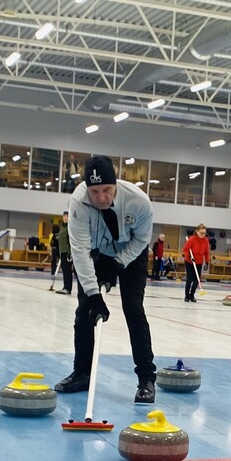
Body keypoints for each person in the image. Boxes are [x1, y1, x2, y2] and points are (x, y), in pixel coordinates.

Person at [54, 156, 157, 404]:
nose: (101, 197)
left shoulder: (139, 202)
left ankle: (146, 379)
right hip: (96, 252)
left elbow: (142, 240)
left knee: (133, 309)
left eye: (107, 190)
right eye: (95, 191)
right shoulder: (79, 202)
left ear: (116, 184)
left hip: (131, 252)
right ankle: (82, 373)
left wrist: (119, 262)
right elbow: (79, 250)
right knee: (85, 311)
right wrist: (93, 296)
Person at [182, 223, 211, 302]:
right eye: (201, 233)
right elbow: (185, 249)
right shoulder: (192, 239)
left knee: (197, 280)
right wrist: (189, 257)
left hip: (199, 262)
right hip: (189, 262)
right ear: (197, 232)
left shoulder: (205, 241)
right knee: (190, 278)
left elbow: (206, 252)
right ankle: (187, 296)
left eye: (204, 233)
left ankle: (192, 295)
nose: (203, 235)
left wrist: (207, 262)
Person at [55, 211, 73, 294]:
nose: (65, 218)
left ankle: (68, 288)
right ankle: (65, 286)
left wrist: (70, 252)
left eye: (67, 216)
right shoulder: (62, 227)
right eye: (64, 216)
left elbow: (71, 240)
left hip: (67, 251)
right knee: (64, 269)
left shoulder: (70, 227)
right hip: (62, 251)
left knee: (68, 269)